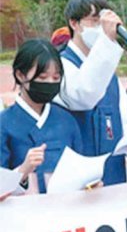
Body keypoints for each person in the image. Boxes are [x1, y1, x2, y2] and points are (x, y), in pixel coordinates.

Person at [57, 0, 127, 185]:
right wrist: (107, 42)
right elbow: (84, 95)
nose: (101, 29)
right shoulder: (60, 66)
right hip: (78, 179)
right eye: (95, 21)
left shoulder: (109, 74)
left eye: (104, 23)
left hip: (113, 174)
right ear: (74, 23)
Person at [0, 39, 82, 194]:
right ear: (20, 75)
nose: (50, 83)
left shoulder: (67, 120)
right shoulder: (4, 123)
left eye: (56, 78)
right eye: (43, 78)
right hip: (22, 215)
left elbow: (80, 171)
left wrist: (90, 185)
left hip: (65, 212)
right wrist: (23, 170)